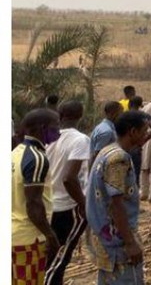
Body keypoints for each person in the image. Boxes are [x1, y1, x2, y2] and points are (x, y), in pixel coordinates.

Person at [85, 111, 151, 285]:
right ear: (132, 132)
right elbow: (117, 204)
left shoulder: (107, 151)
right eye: (144, 131)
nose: (146, 135)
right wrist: (130, 243)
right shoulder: (119, 158)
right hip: (118, 241)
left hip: (105, 237)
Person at [12, 109, 61, 285]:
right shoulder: (37, 158)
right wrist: (50, 235)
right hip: (29, 239)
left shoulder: (16, 153)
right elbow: (33, 204)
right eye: (56, 126)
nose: (59, 131)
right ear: (43, 128)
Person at [44, 101, 90, 285]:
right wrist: (84, 204)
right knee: (58, 261)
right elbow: (69, 178)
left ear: (60, 114)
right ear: (80, 116)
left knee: (48, 258)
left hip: (47, 205)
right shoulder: (80, 140)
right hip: (68, 207)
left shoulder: (48, 137)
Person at [90, 102, 123, 166]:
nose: (122, 116)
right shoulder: (107, 131)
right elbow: (97, 156)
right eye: (121, 113)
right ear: (113, 114)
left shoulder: (103, 126)